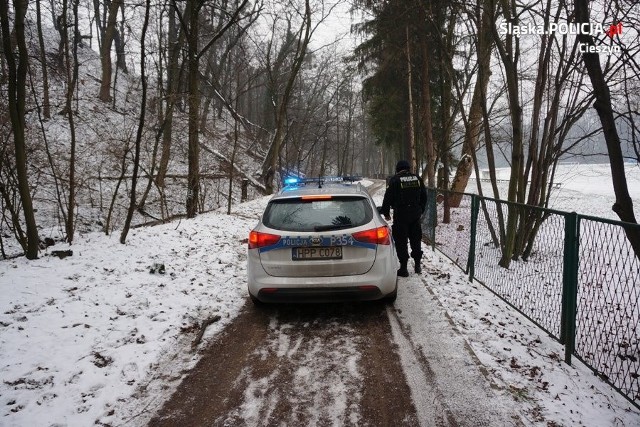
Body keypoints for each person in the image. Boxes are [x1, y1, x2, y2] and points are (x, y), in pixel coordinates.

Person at [380, 160, 427, 277]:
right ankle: (417, 265)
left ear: (398, 169)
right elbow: (424, 196)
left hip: (401, 215)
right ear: (408, 168)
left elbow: (388, 197)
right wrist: (421, 209)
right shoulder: (417, 178)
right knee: (416, 240)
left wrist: (386, 212)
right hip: (415, 215)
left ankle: (404, 268)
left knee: (401, 241)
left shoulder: (395, 180)